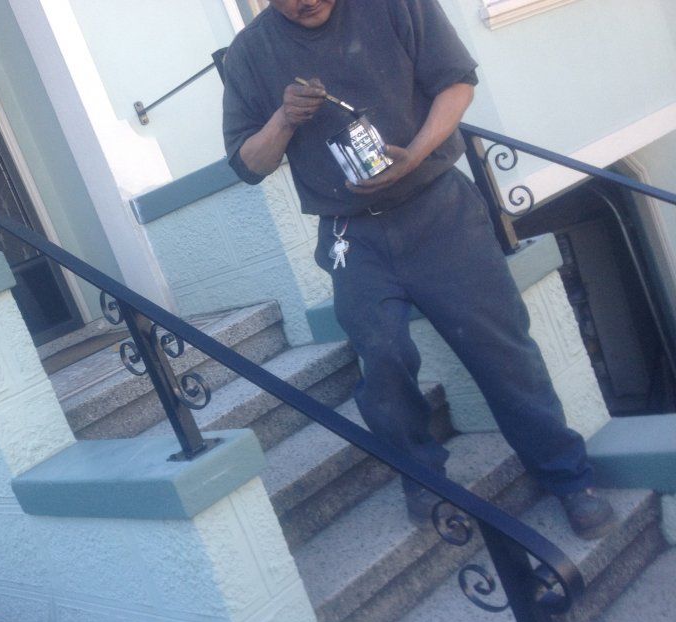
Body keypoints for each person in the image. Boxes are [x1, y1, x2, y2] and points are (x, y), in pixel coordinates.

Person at [221, 0, 616, 538]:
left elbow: (457, 84)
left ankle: (569, 480)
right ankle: (425, 482)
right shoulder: (251, 52)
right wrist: (284, 118)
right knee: (381, 359)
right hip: (351, 235)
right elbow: (249, 165)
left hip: (440, 212)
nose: (303, 1)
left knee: (502, 352)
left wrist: (416, 152)